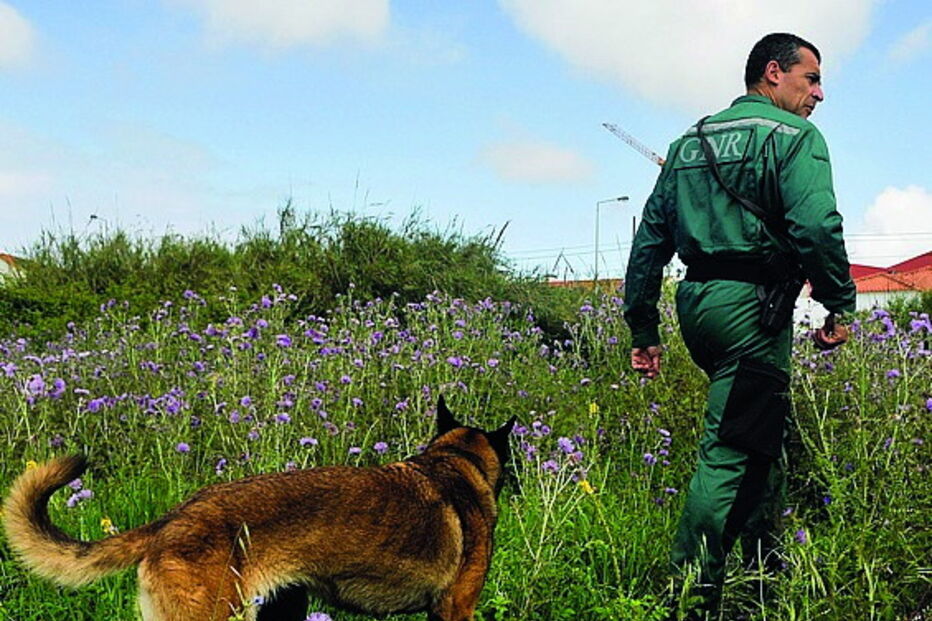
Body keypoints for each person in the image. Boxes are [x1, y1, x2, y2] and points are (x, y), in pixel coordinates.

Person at [622, 33, 856, 617]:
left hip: (697, 304)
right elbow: (817, 227)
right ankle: (689, 598)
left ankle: (758, 583)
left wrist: (643, 328)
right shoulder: (794, 137)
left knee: (758, 438)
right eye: (811, 79)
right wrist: (839, 302)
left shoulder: (688, 143)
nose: (819, 94)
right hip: (752, 310)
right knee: (728, 451)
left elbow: (651, 240)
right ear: (773, 73)